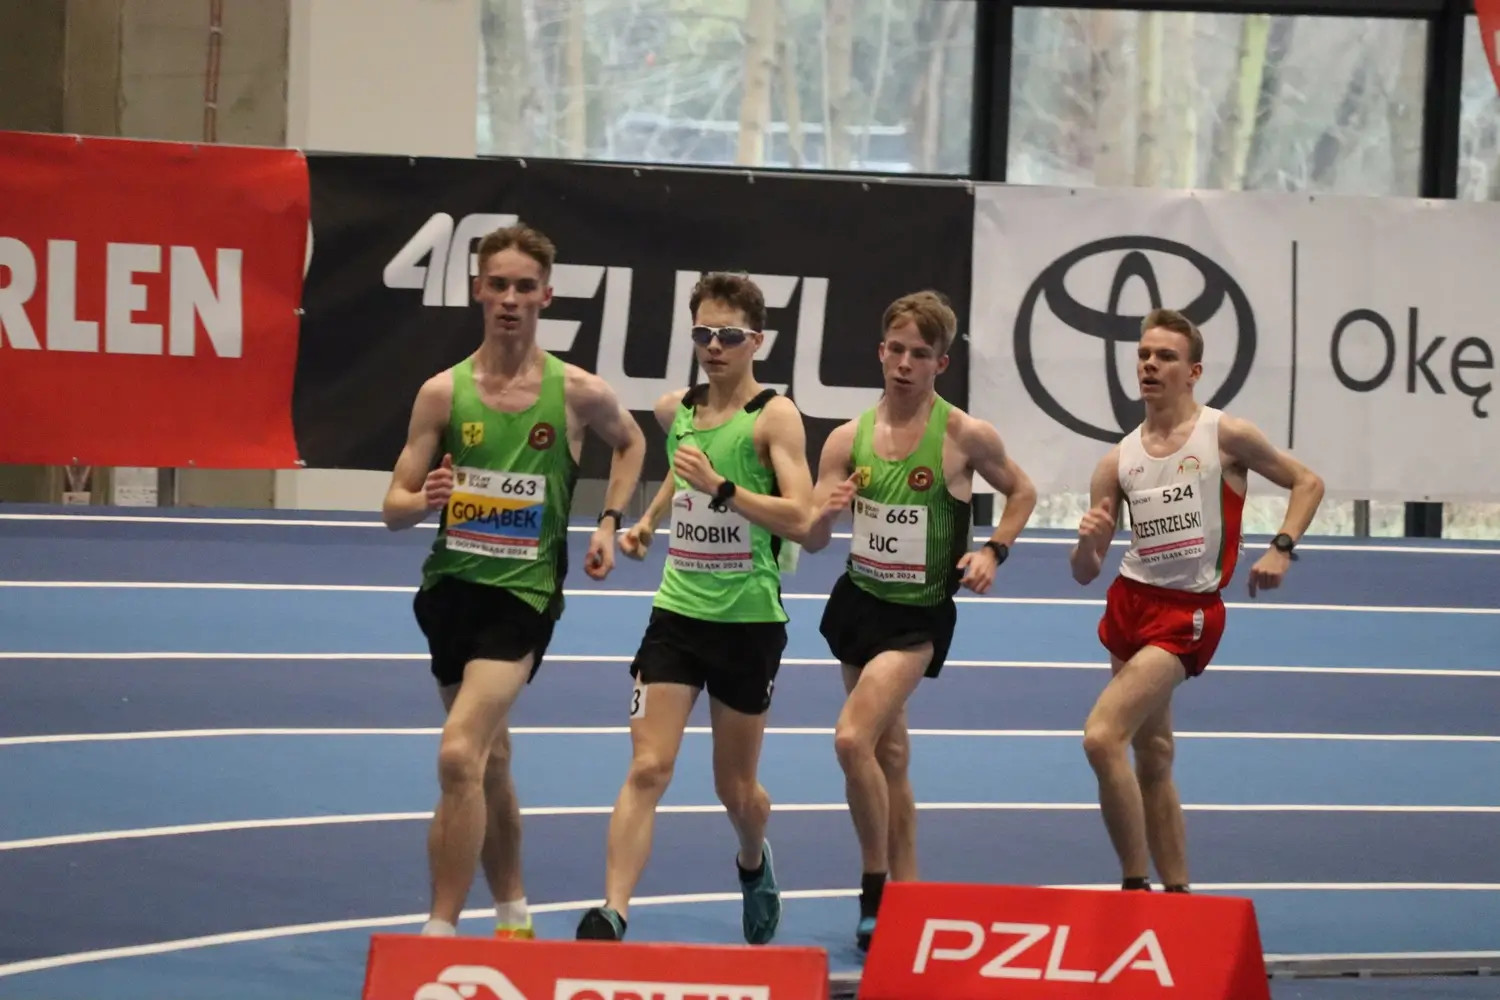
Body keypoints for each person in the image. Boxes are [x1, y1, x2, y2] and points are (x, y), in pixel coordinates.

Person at [382, 222, 646, 939]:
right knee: (490, 763)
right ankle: (514, 913)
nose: (509, 299)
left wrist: (607, 521)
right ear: (477, 291)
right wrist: (425, 499)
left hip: (522, 598)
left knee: (458, 752)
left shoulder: (576, 392)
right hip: (450, 594)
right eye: (496, 284)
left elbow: (633, 442)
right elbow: (393, 509)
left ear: (546, 297)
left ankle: (439, 930)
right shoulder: (442, 394)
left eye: (523, 287)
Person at [575, 272, 817, 946]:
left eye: (729, 336)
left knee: (736, 791)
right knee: (648, 767)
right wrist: (651, 519)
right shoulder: (674, 407)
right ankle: (613, 911)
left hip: (747, 623)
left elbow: (801, 517)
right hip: (677, 615)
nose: (714, 346)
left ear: (756, 341)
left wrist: (727, 487)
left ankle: (752, 857)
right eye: (703, 334)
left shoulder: (774, 416)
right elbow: (684, 472)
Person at [803, 290, 1037, 950]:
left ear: (942, 363)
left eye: (920, 354)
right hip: (859, 604)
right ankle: (909, 893)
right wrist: (827, 511)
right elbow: (814, 539)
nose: (905, 364)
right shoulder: (847, 439)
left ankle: (873, 886)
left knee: (852, 741)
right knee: (890, 755)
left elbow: (1023, 491)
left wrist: (993, 550)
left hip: (918, 614)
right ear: (881, 352)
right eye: (896, 350)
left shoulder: (964, 436)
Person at [1069, 307, 1324, 894]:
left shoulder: (1225, 435)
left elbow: (1307, 482)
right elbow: (1085, 573)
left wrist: (1281, 547)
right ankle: (1179, 895)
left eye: (1165, 357)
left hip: (1188, 613)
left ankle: (1134, 888)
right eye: (1144, 355)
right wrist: (1086, 543)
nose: (1150, 365)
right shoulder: (1117, 460)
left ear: (1194, 371)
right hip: (1129, 602)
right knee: (1153, 755)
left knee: (1101, 737)